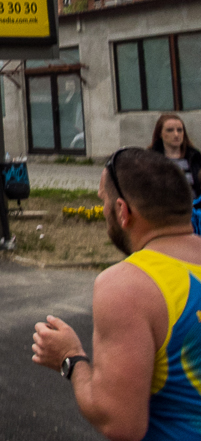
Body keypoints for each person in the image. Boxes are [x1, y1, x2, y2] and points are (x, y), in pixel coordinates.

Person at [32, 147, 201, 439]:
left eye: (104, 201)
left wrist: (70, 358)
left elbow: (120, 422)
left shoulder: (128, 285)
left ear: (123, 212)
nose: (104, 210)